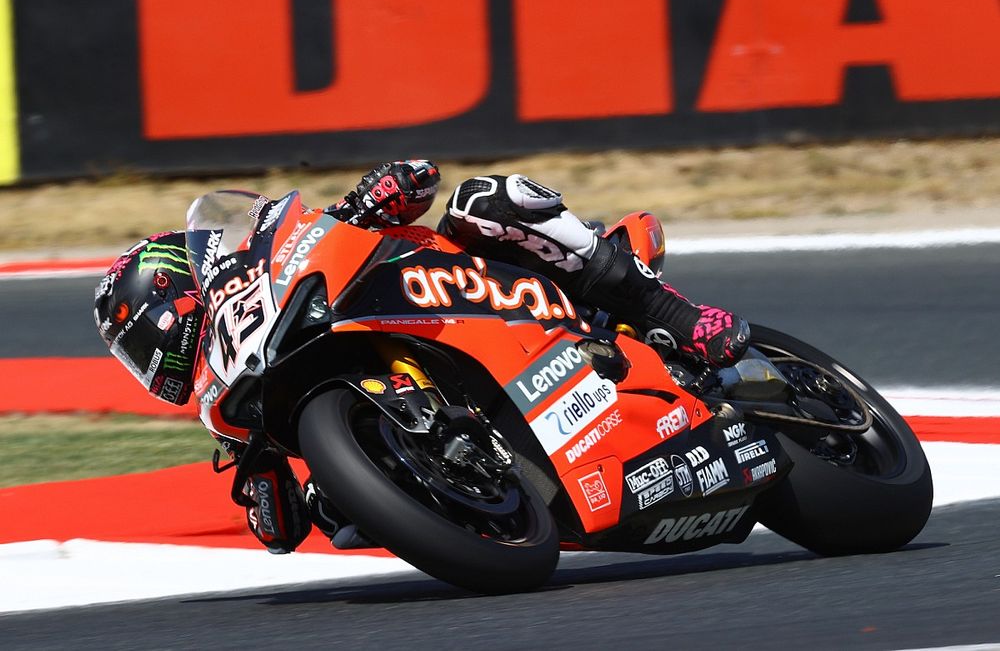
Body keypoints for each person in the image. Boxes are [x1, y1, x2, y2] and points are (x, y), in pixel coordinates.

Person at [94, 160, 750, 554]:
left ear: (175, 293)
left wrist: (382, 194)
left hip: (482, 290)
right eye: (141, 362)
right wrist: (288, 497)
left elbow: (416, 181)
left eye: (146, 345)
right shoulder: (238, 402)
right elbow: (278, 529)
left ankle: (674, 315)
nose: (156, 367)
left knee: (487, 200)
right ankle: (479, 486)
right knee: (344, 520)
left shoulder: (286, 257)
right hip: (478, 448)